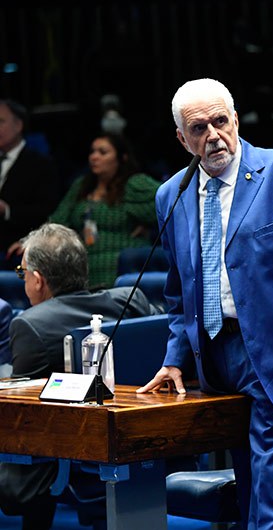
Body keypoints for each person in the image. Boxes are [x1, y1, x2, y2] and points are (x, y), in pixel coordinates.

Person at [136, 78, 273, 530]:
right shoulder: (169, 195)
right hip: (213, 355)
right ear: (182, 138)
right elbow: (178, 290)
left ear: (235, 117)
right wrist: (175, 358)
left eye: (220, 121)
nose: (213, 135)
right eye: (198, 128)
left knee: (271, 499)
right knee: (248, 489)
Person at [0, 222, 152, 528]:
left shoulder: (31, 325)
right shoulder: (130, 301)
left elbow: (23, 418)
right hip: (142, 451)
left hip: (60, 459)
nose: (24, 281)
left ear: (38, 280)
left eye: (23, 273)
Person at [8, 132, 162, 288]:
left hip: (121, 265)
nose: (94, 157)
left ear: (122, 158)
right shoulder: (82, 185)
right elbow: (58, 219)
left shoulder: (134, 183)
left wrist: (152, 225)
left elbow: (170, 201)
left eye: (103, 152)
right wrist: (32, 243)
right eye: (92, 152)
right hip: (84, 267)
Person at [0, 99, 61, 265]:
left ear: (18, 125)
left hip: (18, 245)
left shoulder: (40, 164)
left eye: (1, 121)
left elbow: (47, 211)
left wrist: (7, 211)